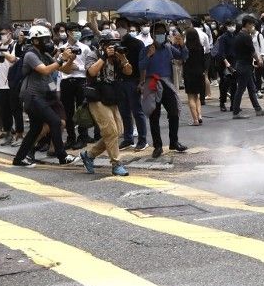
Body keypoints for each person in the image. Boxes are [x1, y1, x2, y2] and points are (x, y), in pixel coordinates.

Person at [13, 25, 79, 167]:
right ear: (35, 41)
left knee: (35, 129)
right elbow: (45, 70)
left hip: (44, 95)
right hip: (32, 96)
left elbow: (64, 70)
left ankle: (19, 159)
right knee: (55, 122)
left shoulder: (45, 55)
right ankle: (62, 156)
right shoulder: (31, 55)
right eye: (45, 40)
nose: (49, 42)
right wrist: (61, 59)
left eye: (49, 39)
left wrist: (70, 60)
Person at [80, 30, 132, 176]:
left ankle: (89, 155)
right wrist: (104, 56)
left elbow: (129, 72)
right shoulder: (93, 54)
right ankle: (116, 164)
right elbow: (92, 72)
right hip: (96, 97)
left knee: (118, 131)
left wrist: (123, 58)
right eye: (111, 44)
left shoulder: (117, 56)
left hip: (111, 96)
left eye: (116, 44)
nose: (113, 47)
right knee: (111, 131)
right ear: (103, 44)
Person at [139, 23, 188, 159]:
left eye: (162, 32)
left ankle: (174, 142)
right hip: (152, 84)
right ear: (152, 34)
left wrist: (182, 45)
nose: (160, 35)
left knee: (174, 112)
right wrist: (149, 56)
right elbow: (141, 66)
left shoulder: (168, 48)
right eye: (158, 32)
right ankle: (158, 146)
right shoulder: (146, 50)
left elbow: (183, 56)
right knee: (154, 116)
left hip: (167, 83)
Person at [116, 17, 148, 151]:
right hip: (120, 81)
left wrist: (142, 82)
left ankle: (142, 139)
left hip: (133, 80)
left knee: (137, 111)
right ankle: (128, 138)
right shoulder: (116, 43)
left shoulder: (137, 43)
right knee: (124, 112)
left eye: (122, 25)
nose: (120, 28)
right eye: (118, 25)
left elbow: (143, 64)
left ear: (128, 27)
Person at [59, 22, 91, 150]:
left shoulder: (85, 48)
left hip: (81, 80)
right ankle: (71, 137)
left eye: (78, 30)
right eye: (74, 30)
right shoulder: (62, 48)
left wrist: (78, 67)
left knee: (82, 109)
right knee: (67, 111)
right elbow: (60, 66)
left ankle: (83, 137)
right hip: (66, 81)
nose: (77, 32)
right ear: (68, 32)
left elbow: (90, 66)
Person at [231, 15, 264, 119]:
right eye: (252, 24)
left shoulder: (238, 35)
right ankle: (236, 112)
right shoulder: (246, 36)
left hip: (241, 64)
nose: (253, 27)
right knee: (241, 89)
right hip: (245, 66)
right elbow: (252, 51)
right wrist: (259, 60)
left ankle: (258, 109)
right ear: (248, 24)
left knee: (251, 88)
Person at [0, 24, 19, 146]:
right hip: (1, 84)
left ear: (10, 33)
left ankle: (19, 135)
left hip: (13, 84)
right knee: (4, 112)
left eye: (3, 34)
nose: (1, 36)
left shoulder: (15, 45)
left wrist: (0, 50)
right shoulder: (0, 46)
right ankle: (8, 134)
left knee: (16, 111)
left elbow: (13, 59)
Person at [183, 28, 205, 125]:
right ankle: (199, 115)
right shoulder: (200, 47)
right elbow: (203, 61)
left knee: (190, 97)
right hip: (199, 72)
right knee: (197, 96)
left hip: (189, 73)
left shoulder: (185, 48)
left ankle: (195, 120)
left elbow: (183, 60)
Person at [216, 20, 238, 112]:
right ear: (226, 26)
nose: (232, 27)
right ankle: (222, 102)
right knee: (225, 83)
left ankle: (233, 104)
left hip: (233, 62)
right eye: (230, 25)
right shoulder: (223, 38)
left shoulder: (235, 36)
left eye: (233, 25)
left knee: (234, 84)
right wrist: (226, 63)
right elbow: (221, 52)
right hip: (224, 62)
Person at [251, 19, 264, 98]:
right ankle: (254, 89)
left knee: (258, 75)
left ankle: (258, 90)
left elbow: (262, 47)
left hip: (258, 58)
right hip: (251, 58)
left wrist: (262, 57)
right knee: (252, 75)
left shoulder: (259, 35)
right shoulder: (249, 35)